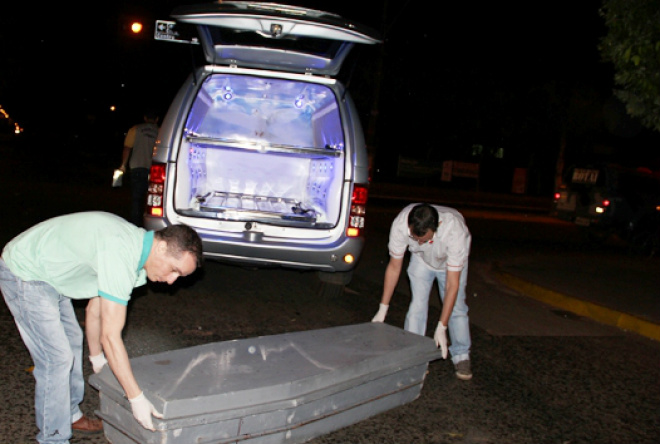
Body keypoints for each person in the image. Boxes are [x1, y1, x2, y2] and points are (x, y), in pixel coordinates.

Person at [0, 211, 203, 444]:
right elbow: (110, 336)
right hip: (26, 271)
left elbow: (95, 309)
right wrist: (135, 398)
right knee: (56, 358)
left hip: (50, 274)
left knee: (72, 338)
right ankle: (52, 438)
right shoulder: (121, 253)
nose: (171, 281)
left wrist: (96, 358)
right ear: (161, 248)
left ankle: (69, 414)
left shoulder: (137, 251)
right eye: (174, 269)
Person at [372, 203, 473, 380]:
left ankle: (461, 355)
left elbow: (452, 285)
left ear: (436, 228)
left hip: (450, 264)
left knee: (456, 308)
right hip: (421, 260)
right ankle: (414, 356)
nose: (418, 241)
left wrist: (442, 326)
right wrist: (383, 308)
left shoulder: (455, 232)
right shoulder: (401, 224)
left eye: (423, 239)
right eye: (414, 237)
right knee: (417, 305)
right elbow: (394, 267)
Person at [119, 110, 160, 226]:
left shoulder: (135, 129)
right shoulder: (161, 131)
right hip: (154, 170)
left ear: (145, 118)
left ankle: (135, 226)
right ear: (157, 119)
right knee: (153, 200)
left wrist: (123, 165)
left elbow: (127, 148)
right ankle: (151, 225)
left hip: (136, 167)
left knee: (136, 199)